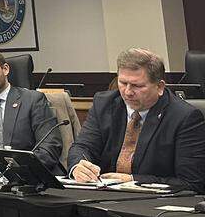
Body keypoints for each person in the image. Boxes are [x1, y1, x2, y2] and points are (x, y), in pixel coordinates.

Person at [68, 48, 205, 192]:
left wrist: (133, 180)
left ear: (159, 87)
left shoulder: (184, 117)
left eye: (137, 86)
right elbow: (82, 147)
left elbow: (191, 182)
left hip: (153, 204)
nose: (127, 92)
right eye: (122, 83)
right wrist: (78, 166)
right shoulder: (104, 104)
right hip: (103, 197)